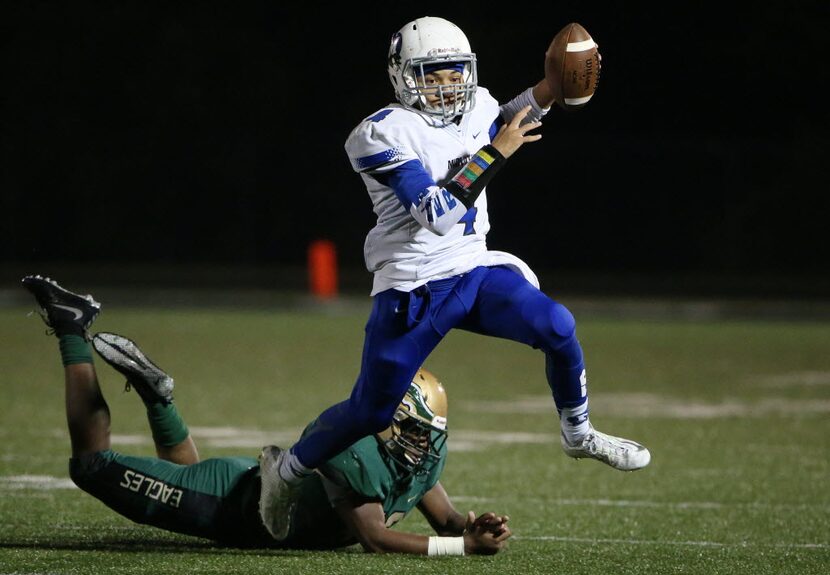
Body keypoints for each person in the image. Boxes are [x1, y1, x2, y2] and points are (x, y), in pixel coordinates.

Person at [264, 15, 651, 540]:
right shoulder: (379, 133)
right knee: (370, 409)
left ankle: (578, 434)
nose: (447, 86)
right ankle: (284, 471)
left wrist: (552, 88)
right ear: (403, 76)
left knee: (558, 326)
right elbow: (438, 212)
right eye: (432, 74)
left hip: (471, 270)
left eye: (454, 73)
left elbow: (506, 114)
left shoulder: (476, 106)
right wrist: (498, 152)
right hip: (413, 285)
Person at [21, 274, 511, 556]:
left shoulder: (413, 462)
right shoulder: (358, 452)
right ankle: (71, 325)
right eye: (416, 431)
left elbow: (446, 520)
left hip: (243, 495)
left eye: (428, 432)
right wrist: (462, 550)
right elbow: (375, 539)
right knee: (91, 466)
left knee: (187, 477)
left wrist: (473, 529)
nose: (425, 445)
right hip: (229, 504)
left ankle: (160, 399)